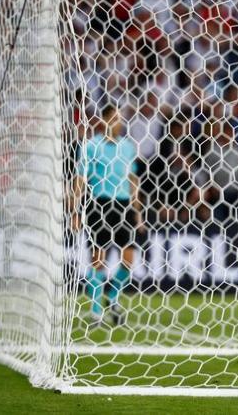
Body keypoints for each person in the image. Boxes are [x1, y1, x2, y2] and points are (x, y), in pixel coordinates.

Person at [73, 104, 141, 327]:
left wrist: (137, 212)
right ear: (103, 121)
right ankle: (95, 312)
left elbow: (132, 180)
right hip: (99, 204)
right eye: (114, 119)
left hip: (123, 206)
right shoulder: (91, 146)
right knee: (98, 260)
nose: (118, 123)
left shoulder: (128, 147)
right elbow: (80, 180)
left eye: (120, 119)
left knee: (129, 260)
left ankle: (112, 298)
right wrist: (75, 211)